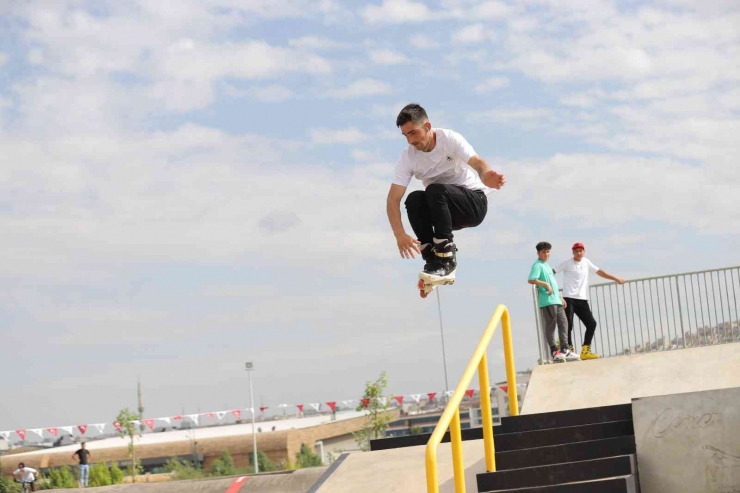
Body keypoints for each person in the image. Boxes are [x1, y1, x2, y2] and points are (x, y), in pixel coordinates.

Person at [386, 104, 506, 280]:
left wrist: (486, 175)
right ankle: (433, 263)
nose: (410, 141)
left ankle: (446, 259)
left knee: (434, 190)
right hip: (444, 212)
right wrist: (399, 235)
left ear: (427, 126)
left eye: (413, 133)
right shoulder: (408, 157)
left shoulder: (449, 139)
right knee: (414, 199)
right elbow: (392, 199)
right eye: (405, 135)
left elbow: (477, 162)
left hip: (473, 204)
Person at [554, 242, 625, 359]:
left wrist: (615, 278)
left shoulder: (586, 262)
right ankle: (568, 349)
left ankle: (585, 350)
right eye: (576, 251)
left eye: (581, 250)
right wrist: (555, 291)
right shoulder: (567, 263)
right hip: (569, 298)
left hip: (582, 299)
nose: (579, 253)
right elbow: (552, 272)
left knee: (591, 323)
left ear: (583, 252)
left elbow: (600, 272)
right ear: (573, 252)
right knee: (568, 325)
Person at [528, 242, 580, 363]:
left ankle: (565, 349)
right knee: (551, 325)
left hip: (556, 300)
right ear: (538, 253)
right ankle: (554, 351)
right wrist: (545, 284)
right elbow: (531, 279)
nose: (546, 254)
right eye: (543, 252)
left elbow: (553, 283)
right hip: (547, 300)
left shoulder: (546, 265)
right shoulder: (537, 265)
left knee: (564, 323)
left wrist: (560, 297)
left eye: (548, 251)